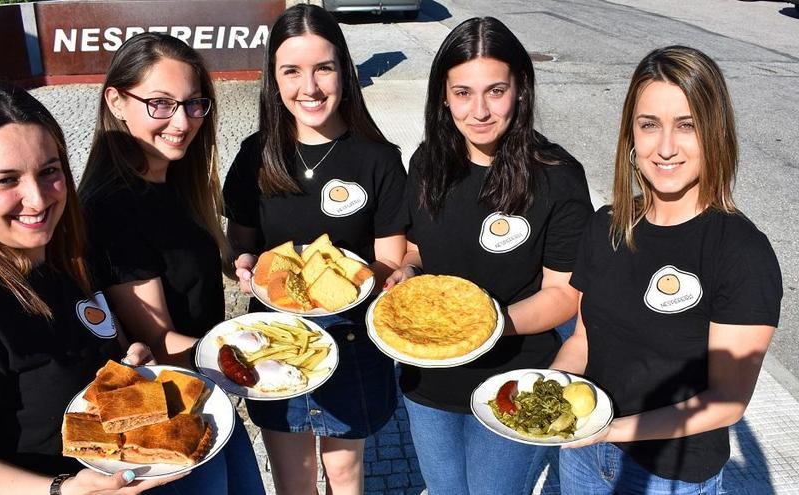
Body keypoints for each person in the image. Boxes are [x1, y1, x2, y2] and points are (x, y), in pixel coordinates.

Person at [0, 80, 182, 495]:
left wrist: (130, 367)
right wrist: (64, 489)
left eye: (49, 172)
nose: (38, 199)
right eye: (7, 180)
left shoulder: (68, 259)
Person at [551, 45, 783, 494]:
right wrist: (551, 393)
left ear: (715, 133)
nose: (666, 147)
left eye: (687, 126)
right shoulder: (607, 225)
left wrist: (611, 430)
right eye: (649, 125)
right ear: (631, 136)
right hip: (583, 456)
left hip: (670, 474)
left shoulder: (740, 251)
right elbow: (582, 338)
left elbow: (727, 401)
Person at [383, 17, 593, 495]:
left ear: (520, 89)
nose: (478, 110)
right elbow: (417, 246)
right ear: (443, 94)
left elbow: (563, 294)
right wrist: (409, 269)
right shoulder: (427, 163)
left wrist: (487, 327)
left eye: (495, 91)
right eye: (462, 93)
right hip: (427, 377)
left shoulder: (557, 177)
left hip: (512, 376)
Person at [223, 4, 407, 494]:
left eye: (323, 68)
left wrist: (380, 277)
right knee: (293, 475)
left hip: (352, 340)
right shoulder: (254, 155)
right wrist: (240, 263)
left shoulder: (380, 159)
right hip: (274, 339)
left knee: (344, 473)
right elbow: (239, 245)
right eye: (292, 71)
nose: (310, 87)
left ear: (343, 70)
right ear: (274, 78)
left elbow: (391, 254)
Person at [78, 33, 263, 494]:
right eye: (160, 104)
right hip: (164, 420)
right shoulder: (114, 207)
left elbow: (190, 261)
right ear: (117, 102)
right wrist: (255, 353)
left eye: (193, 104)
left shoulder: (175, 177)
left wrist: (238, 262)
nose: (182, 122)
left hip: (203, 393)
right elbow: (156, 339)